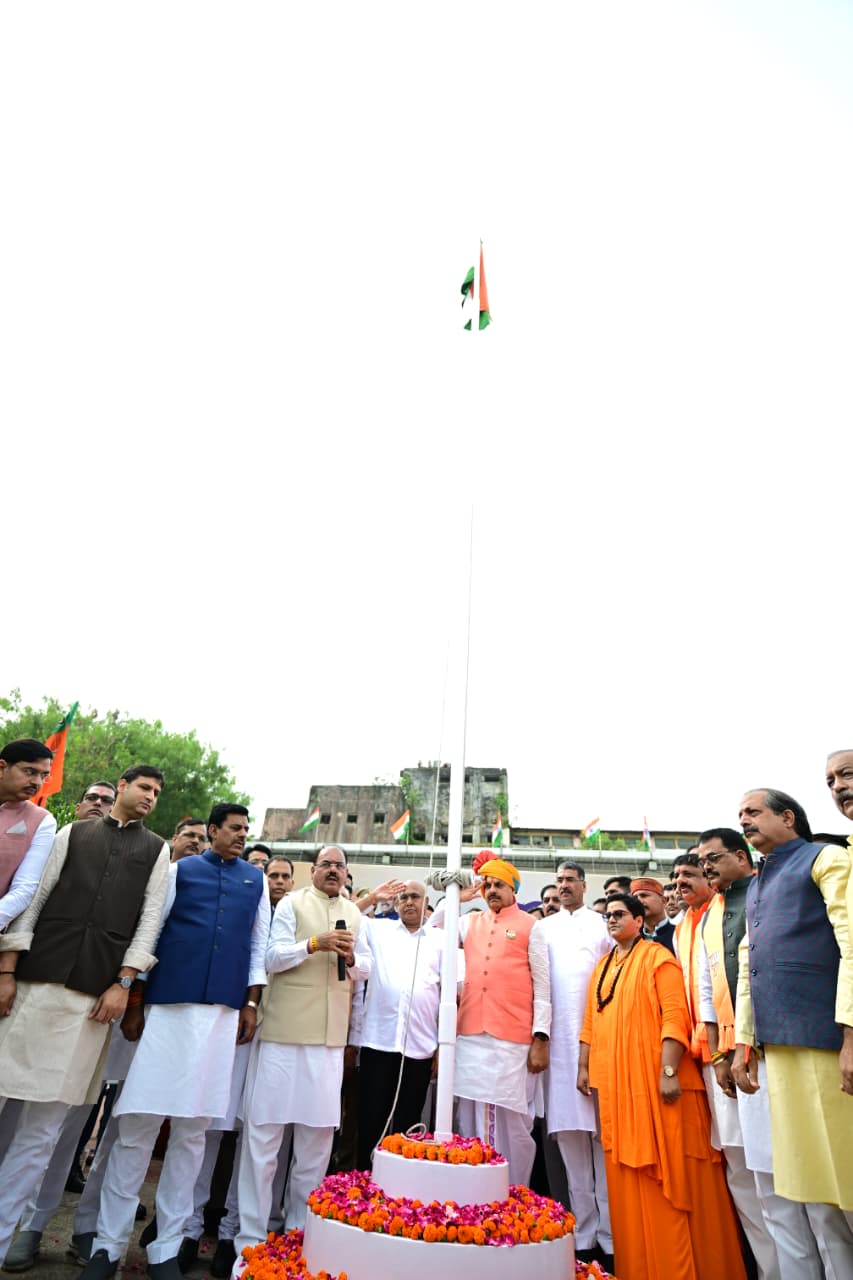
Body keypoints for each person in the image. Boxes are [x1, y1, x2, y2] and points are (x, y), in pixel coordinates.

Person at [80, 802, 269, 1280]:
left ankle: (167, 1247)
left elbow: (257, 947)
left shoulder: (256, 881)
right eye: (234, 828)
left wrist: (250, 1004)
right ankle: (108, 1246)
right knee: (138, 1128)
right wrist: (137, 1000)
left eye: (247, 829)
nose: (242, 835)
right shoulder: (180, 870)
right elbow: (152, 932)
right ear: (212, 830)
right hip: (166, 1012)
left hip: (221, 1018)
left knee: (192, 1135)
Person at [0, 766, 170, 1266]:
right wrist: (9, 968)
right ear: (121, 786)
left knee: (42, 1134)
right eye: (144, 788)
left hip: (91, 1004)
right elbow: (34, 901)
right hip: (32, 987)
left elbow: (149, 922)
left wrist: (123, 983)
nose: (150, 798)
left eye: (157, 793)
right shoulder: (73, 833)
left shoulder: (157, 850)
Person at [578, 893, 747, 1280]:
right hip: (619, 1094)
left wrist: (668, 1072)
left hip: (660, 1091)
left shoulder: (659, 959)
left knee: (675, 1181)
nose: (612, 920)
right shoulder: (603, 966)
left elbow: (674, 1017)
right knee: (627, 1181)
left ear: (640, 920)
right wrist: (584, 1068)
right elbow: (590, 1023)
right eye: (608, 916)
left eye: (620, 914)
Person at [732, 788, 853, 1274]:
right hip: (779, 1050)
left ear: (787, 816)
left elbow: (851, 945)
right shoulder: (760, 880)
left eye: (753, 811)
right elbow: (748, 967)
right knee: (811, 1187)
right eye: (739, 814)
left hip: (828, 1045)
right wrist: (745, 1042)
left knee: (844, 1181)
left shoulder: (827, 860)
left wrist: (851, 1036)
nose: (744, 819)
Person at [697, 828, 822, 1280]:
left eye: (713, 858)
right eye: (701, 860)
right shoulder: (709, 912)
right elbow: (707, 992)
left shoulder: (769, 892)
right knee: (757, 1180)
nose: (707, 866)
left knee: (800, 1179)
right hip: (732, 1061)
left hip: (779, 1048)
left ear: (741, 855)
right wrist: (719, 1056)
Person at [236, 846, 370, 1246]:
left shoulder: (357, 913)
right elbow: (272, 958)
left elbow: (366, 968)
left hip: (328, 1042)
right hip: (283, 1035)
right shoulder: (292, 904)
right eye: (326, 865)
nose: (333, 870)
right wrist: (313, 944)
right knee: (264, 1141)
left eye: (339, 866)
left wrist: (352, 957)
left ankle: (299, 1235)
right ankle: (250, 1239)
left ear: (347, 874)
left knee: (316, 1144)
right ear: (312, 871)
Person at [453, 856, 550, 1187]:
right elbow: (433, 931)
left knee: (513, 1122)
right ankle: (474, 1191)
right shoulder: (468, 922)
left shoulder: (530, 926)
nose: (491, 890)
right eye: (487, 884)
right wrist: (458, 898)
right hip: (470, 1034)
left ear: (514, 890)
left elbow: (543, 986)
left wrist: (541, 1038)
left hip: (512, 1039)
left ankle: (510, 1192)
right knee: (469, 1116)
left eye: (499, 885)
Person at [539, 861, 611, 1267]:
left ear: (584, 886)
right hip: (558, 1051)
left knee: (603, 1143)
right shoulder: (543, 929)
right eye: (559, 881)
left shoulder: (601, 925)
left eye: (570, 881)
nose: (564, 887)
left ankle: (611, 1236)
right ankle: (583, 1234)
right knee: (570, 1143)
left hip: (597, 1045)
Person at [350, 880, 444, 1168]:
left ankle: (401, 1191)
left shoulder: (441, 939)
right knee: (371, 1118)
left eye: (415, 896)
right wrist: (372, 897)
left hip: (420, 1046)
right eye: (402, 897)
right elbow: (347, 917)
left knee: (409, 1123)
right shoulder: (378, 930)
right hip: (378, 1040)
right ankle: (364, 1188)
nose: (408, 902)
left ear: (426, 901)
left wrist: (442, 1046)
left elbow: (449, 997)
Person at [0, 740, 57, 934]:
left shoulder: (42, 821)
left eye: (44, 775)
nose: (38, 783)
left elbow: (24, 890)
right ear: (2, 768)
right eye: (30, 772)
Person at [631, 876, 675, 952]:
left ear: (663, 901)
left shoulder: (679, 933)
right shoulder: (631, 939)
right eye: (635, 898)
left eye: (644, 895)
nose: (639, 901)